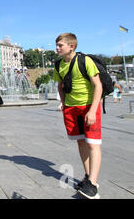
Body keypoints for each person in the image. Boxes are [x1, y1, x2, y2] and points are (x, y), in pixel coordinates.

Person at [53, 33, 103, 199]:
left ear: (71, 46)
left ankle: (93, 184)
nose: (57, 48)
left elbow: (98, 86)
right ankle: (88, 177)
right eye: (57, 45)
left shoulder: (84, 61)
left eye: (60, 45)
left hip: (89, 106)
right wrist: (64, 102)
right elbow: (60, 86)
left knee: (93, 143)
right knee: (81, 142)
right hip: (71, 108)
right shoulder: (58, 64)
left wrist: (93, 110)